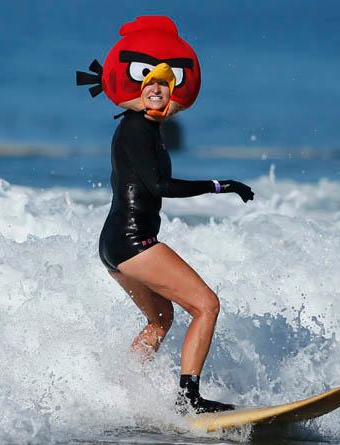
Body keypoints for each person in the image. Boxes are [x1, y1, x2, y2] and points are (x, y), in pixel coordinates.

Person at [77, 16, 253, 414]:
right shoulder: (136, 128)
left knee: (160, 320)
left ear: (172, 91)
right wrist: (220, 185)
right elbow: (160, 186)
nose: (156, 89)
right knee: (206, 305)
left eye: (164, 84)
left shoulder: (140, 128)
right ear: (138, 90)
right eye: (149, 83)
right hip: (134, 241)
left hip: (115, 245)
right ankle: (190, 399)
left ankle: (120, 395)